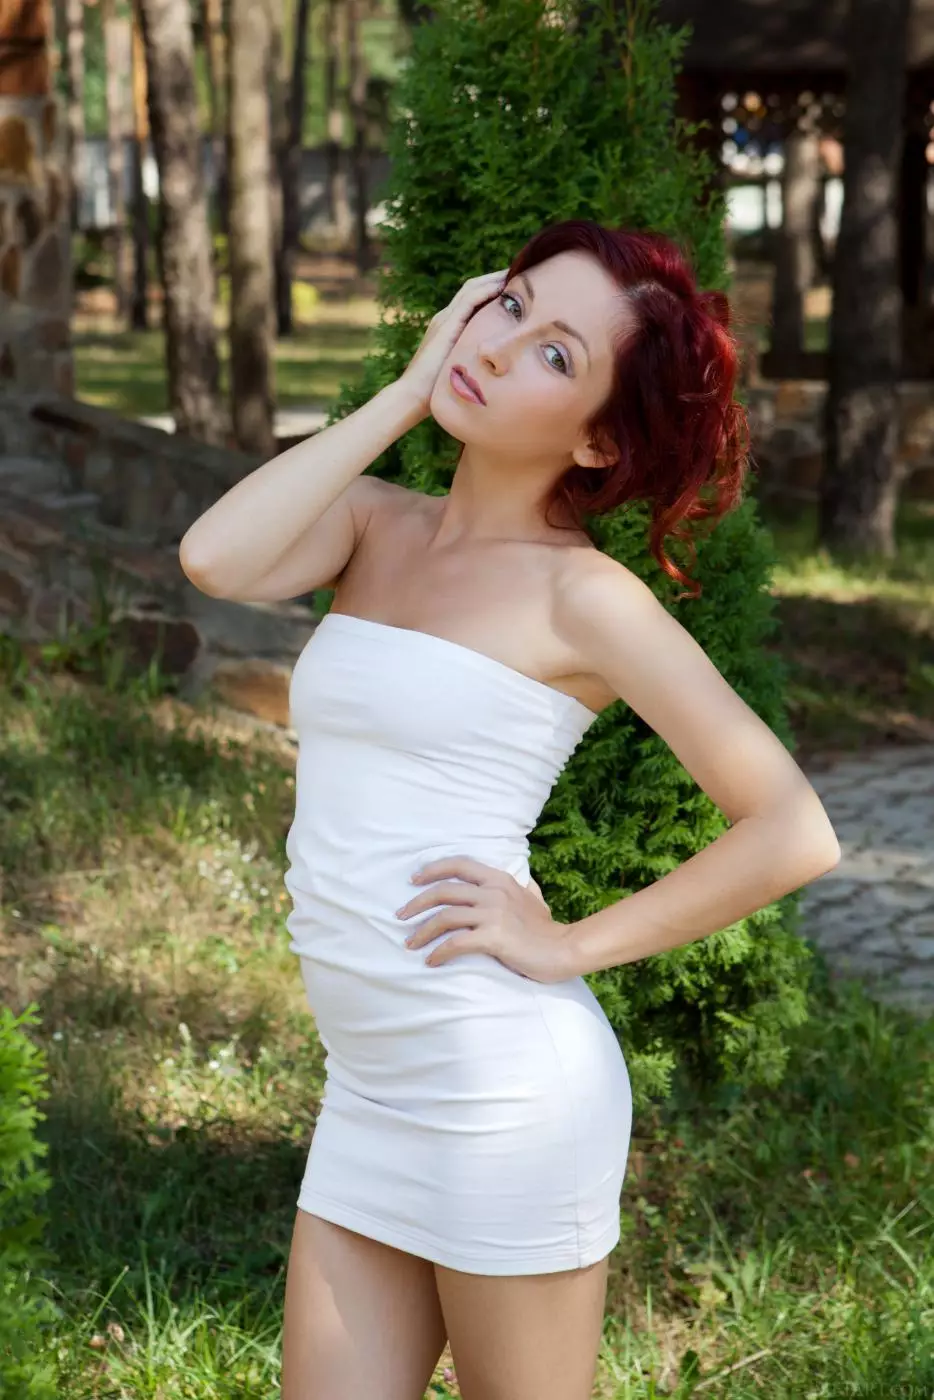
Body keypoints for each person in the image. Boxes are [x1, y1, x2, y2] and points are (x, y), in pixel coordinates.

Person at [178, 219, 841, 1400]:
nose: (498, 344)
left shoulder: (585, 597)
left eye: (555, 352)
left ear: (597, 438)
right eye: (512, 303)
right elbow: (214, 560)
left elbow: (792, 826)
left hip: (501, 1092)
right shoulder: (370, 522)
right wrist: (404, 392)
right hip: (369, 1081)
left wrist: (568, 942)